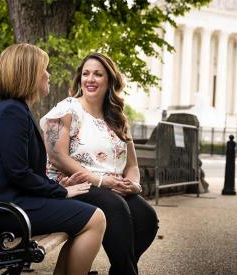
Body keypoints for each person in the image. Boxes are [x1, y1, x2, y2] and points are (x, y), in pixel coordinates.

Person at [0, 43, 106, 275]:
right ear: (28, 73)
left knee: (89, 214)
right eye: (44, 69)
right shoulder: (11, 112)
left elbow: (23, 171)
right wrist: (61, 192)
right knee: (95, 218)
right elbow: (18, 172)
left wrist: (56, 186)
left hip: (13, 202)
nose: (48, 75)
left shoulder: (17, 110)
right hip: (4, 208)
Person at [40, 52, 159, 275]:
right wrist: (101, 181)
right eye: (86, 74)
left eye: (98, 74)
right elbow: (57, 156)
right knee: (115, 207)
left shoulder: (118, 117)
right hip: (74, 184)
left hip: (111, 187)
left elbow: (131, 165)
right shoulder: (67, 109)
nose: (90, 79)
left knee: (146, 218)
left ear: (109, 81)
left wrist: (134, 185)